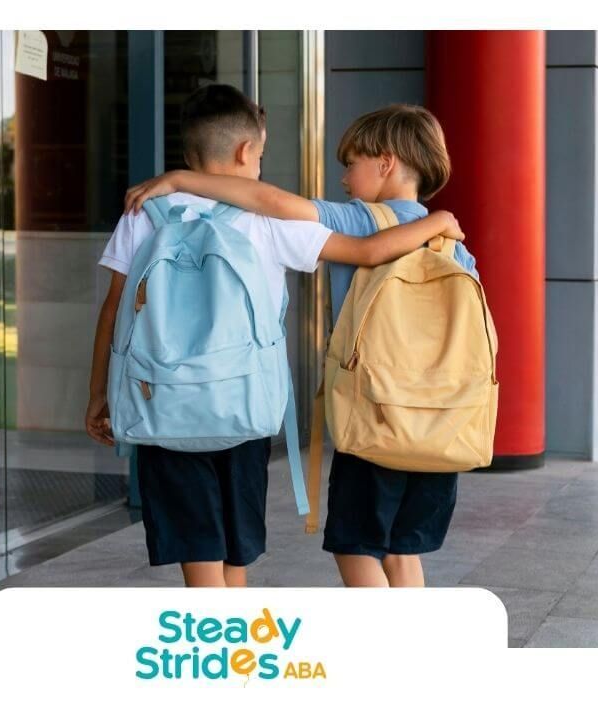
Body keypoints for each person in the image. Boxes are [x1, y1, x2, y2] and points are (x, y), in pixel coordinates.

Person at [86, 87, 465, 588]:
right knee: (234, 560)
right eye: (261, 155)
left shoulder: (144, 210)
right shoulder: (268, 222)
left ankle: (223, 660)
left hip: (164, 404)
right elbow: (368, 251)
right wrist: (438, 219)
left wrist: (99, 393)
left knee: (199, 556)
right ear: (247, 153)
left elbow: (114, 308)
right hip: (248, 407)